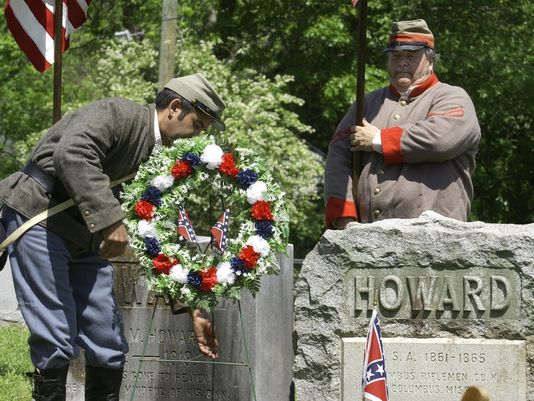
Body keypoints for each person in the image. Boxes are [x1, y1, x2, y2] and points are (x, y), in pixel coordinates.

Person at [0, 72, 225, 400]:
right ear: (176, 107)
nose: (198, 137)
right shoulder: (118, 114)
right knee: (57, 339)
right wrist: (111, 221)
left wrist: (192, 304)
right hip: (40, 218)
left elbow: (155, 231)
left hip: (86, 239)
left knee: (108, 341)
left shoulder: (158, 160)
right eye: (199, 125)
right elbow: (73, 154)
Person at [324, 19, 481, 229]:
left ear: (431, 61)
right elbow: (338, 158)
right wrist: (344, 217)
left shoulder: (452, 97)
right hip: (368, 233)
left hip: (436, 235)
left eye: (411, 56)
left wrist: (377, 139)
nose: (402, 63)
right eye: (395, 56)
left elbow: (440, 139)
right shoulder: (367, 104)